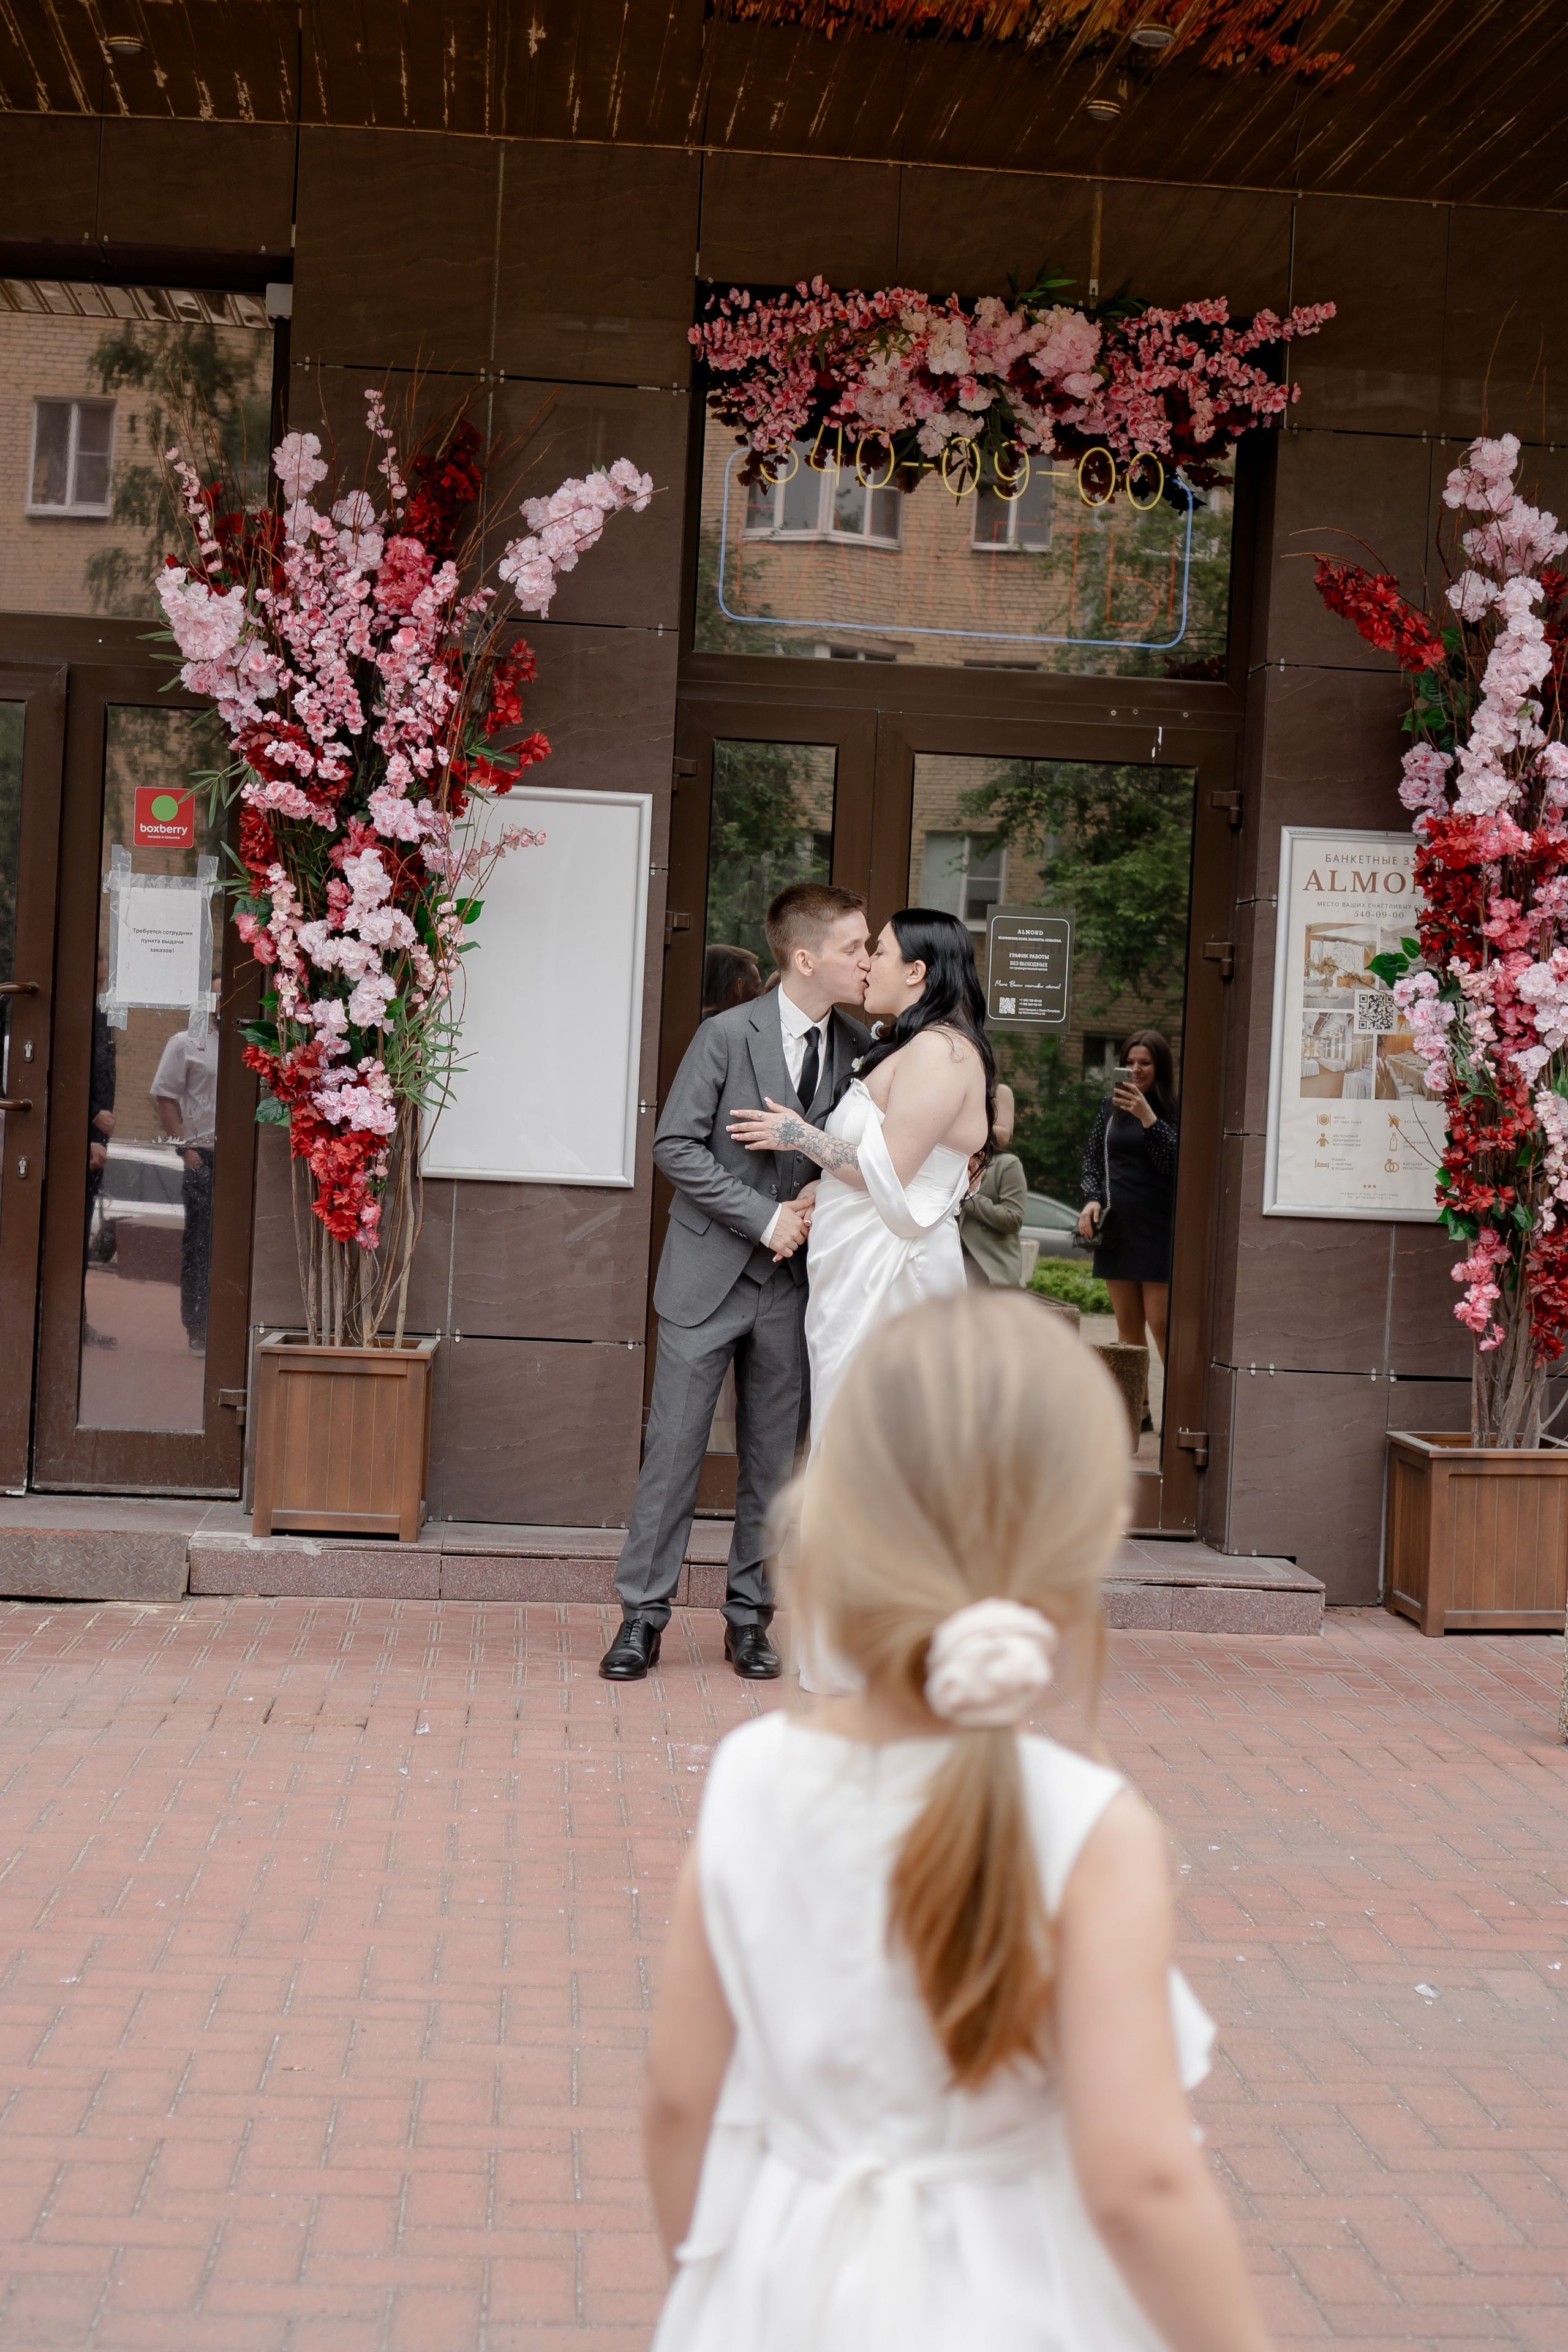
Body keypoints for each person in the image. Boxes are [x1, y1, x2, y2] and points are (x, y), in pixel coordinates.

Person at [642, 1291, 1270, 2352]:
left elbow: (675, 2103)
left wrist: (718, 2286)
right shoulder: (1088, 1829)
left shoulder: (749, 1778)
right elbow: (1140, 2183)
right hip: (1014, 2303)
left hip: (777, 2293)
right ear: (1084, 1544)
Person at [600, 883, 872, 1686]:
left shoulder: (862, 1048)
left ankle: (750, 1621)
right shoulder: (724, 1036)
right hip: (707, 1278)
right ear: (806, 957)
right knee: (674, 1455)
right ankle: (641, 1619)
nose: (867, 960)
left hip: (796, 1291)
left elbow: (865, 1161)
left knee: (772, 1466)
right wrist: (763, 1218)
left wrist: (816, 1200)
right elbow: (674, 1146)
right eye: (856, 947)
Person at [728, 907, 991, 1450]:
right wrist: (818, 1191)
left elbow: (889, 1170)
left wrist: (796, 1134)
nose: (869, 965)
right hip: (856, 1267)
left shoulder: (942, 1051)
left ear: (916, 971)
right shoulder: (913, 1045)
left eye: (881, 952)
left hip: (892, 1272)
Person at [1076, 1030, 1179, 1367]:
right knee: (1128, 1326)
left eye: (1145, 1063)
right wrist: (1092, 1199)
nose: (1136, 1069)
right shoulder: (1110, 1108)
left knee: (1161, 1323)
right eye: (1129, 1063)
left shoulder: (1175, 1109)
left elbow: (1174, 1164)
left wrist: (1147, 1116)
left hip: (1159, 1229)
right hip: (1118, 1229)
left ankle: (1179, 1406)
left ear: (1160, 1067)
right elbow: (1093, 1161)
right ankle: (1140, 1411)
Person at [150, 1021, 219, 1353]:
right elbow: (164, 1096)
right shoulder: (186, 1042)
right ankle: (198, 1327)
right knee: (199, 1246)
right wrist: (186, 1150)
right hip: (202, 1156)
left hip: (242, 1158)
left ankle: (227, 1322)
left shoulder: (256, 1040)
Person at [82, 948, 118, 1352]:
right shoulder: (70, 1014)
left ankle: (78, 1318)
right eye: (94, 982)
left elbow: (105, 1077)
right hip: (70, 1138)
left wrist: (101, 1137)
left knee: (79, 1241)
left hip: (94, 1139)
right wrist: (92, 1118)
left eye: (104, 982)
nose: (100, 989)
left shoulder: (100, 1016)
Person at [960, 1079, 1028, 1289]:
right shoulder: (947, 1163)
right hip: (948, 1267)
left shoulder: (1007, 1165)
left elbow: (1013, 1219)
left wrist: (967, 1197)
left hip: (990, 1272)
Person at [703, 943, 764, 1020]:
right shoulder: (737, 1030)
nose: (760, 996)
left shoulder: (690, 1024)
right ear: (738, 987)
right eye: (757, 987)